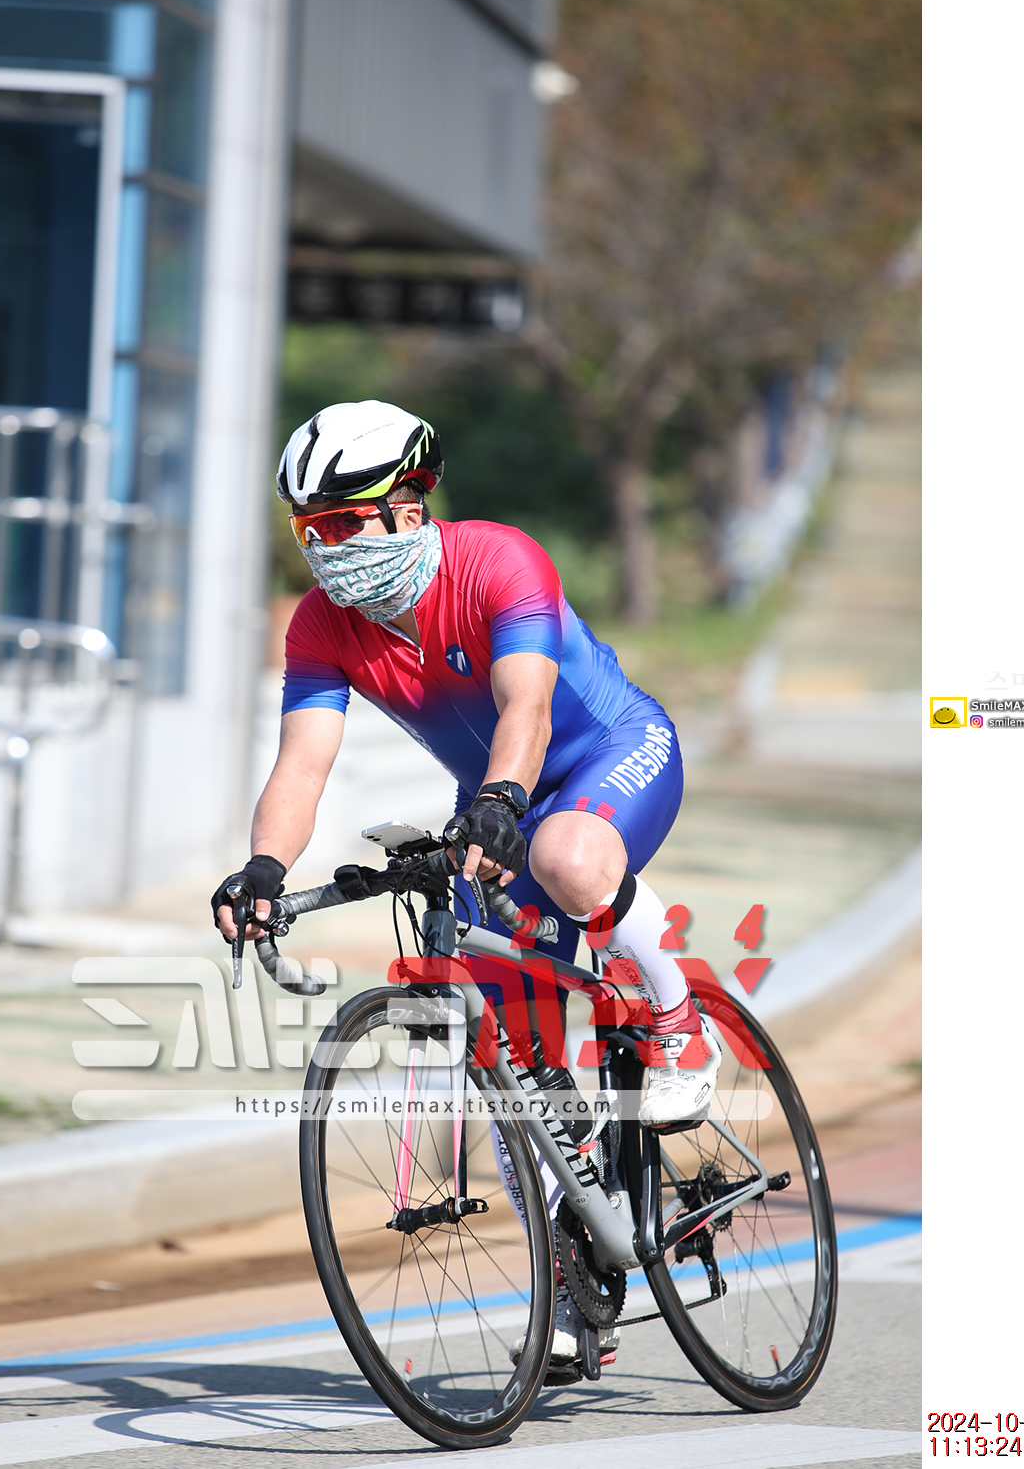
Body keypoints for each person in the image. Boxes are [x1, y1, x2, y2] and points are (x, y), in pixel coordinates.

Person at [214, 399, 720, 1373]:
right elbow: (302, 765)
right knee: (515, 1067)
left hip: (607, 756)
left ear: (408, 507)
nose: (324, 550)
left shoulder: (498, 560)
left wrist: (500, 801)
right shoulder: (321, 626)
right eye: (309, 529)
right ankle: (576, 1274)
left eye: (341, 523)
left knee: (565, 856)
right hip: (494, 797)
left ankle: (676, 1019)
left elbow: (525, 705)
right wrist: (265, 869)